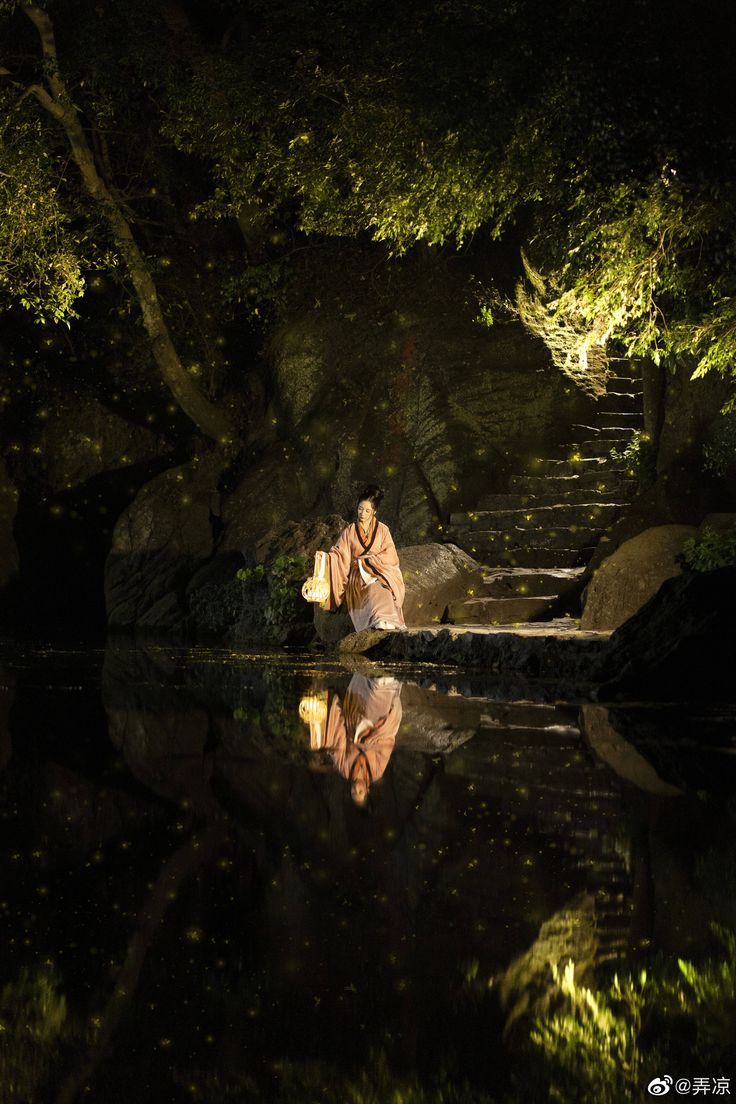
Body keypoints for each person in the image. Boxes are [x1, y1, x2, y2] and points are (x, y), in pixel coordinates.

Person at [302, 674, 403, 806]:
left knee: (325, 739)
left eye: (353, 793)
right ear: (367, 790)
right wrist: (368, 740)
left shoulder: (344, 769)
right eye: (360, 792)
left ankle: (377, 683)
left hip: (354, 726)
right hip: (377, 731)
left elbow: (337, 745)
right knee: (375, 717)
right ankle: (384, 684)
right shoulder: (377, 771)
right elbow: (386, 745)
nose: (356, 790)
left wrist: (323, 739)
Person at [320, 484, 407, 632]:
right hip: (358, 574)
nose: (362, 513)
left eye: (367, 510)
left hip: (378, 571)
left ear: (374, 512)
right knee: (372, 589)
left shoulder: (383, 529)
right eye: (360, 508)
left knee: (383, 588)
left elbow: (391, 555)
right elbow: (340, 554)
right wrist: (325, 558)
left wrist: (371, 560)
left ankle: (388, 620)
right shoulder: (350, 531)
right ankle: (378, 620)